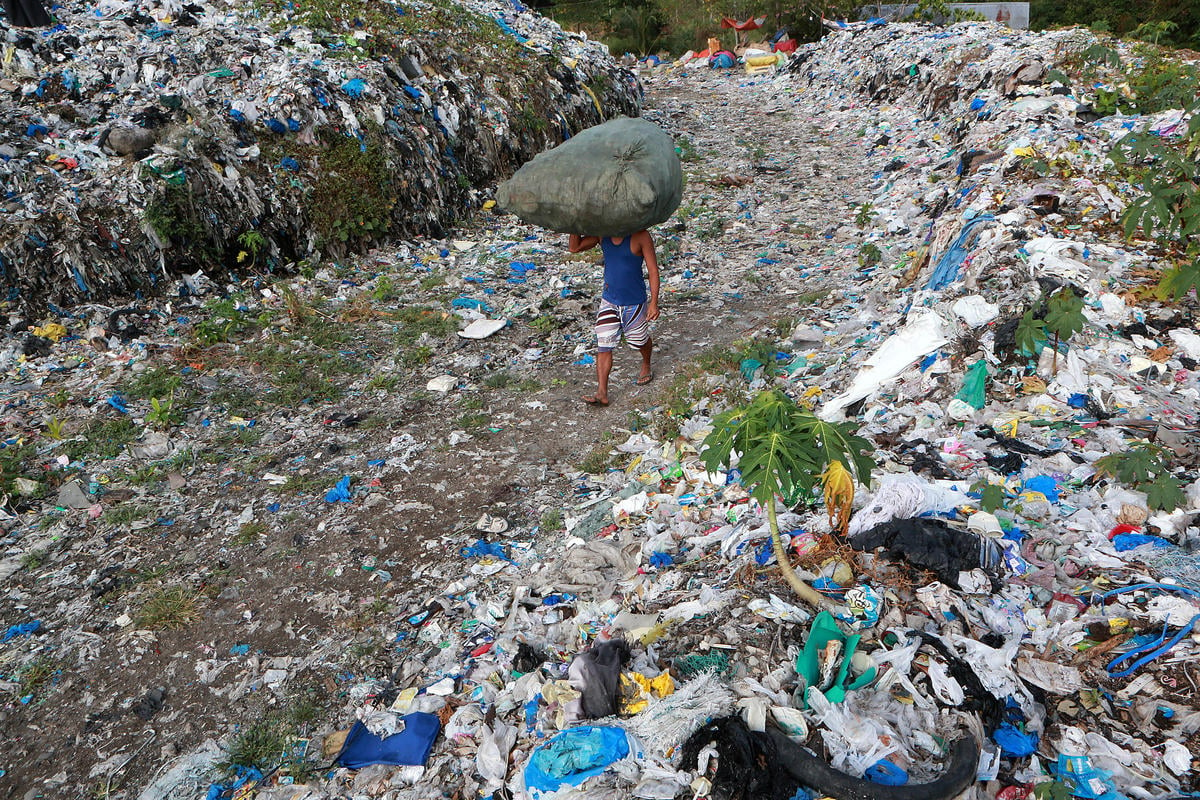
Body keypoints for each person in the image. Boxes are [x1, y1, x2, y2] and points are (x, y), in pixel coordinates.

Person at [568, 230, 660, 407]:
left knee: (639, 341)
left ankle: (646, 363)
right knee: (604, 344)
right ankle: (602, 392)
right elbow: (574, 248)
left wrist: (653, 302)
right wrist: (574, 224)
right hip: (609, 300)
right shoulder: (603, 234)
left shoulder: (640, 236)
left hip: (634, 302)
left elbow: (653, 270)